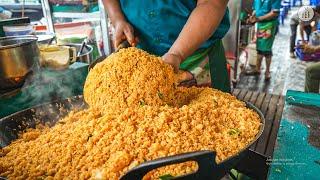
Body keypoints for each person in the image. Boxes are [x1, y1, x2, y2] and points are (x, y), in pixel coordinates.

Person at [103, 0, 231, 92]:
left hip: (199, 61)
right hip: (139, 64)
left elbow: (212, 3)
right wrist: (118, 19)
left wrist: (177, 53)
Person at [247, 0, 281, 81]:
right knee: (259, 47)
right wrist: (253, 16)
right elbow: (255, 9)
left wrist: (258, 19)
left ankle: (267, 72)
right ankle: (257, 69)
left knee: (266, 49)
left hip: (269, 24)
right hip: (260, 24)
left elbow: (275, 13)